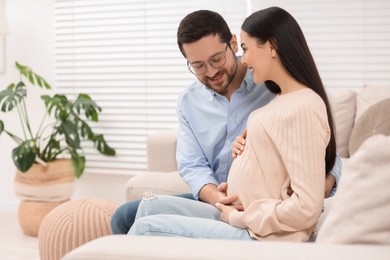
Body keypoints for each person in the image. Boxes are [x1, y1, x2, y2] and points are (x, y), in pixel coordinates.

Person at [111, 8, 341, 235]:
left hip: (259, 201)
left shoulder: (270, 81)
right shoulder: (188, 102)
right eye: (198, 66)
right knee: (126, 216)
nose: (210, 72)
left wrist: (326, 181)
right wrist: (217, 197)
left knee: (144, 224)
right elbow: (192, 165)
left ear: (232, 43)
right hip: (218, 197)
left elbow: (317, 142)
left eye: (216, 59)